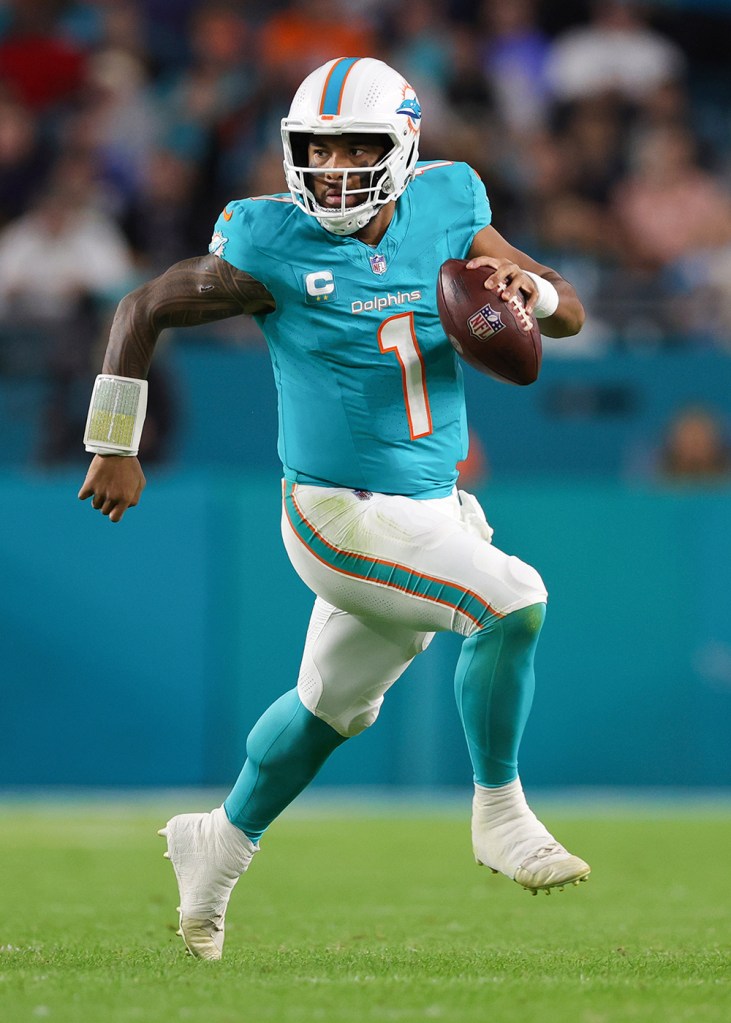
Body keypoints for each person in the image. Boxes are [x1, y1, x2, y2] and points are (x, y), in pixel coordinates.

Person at [78, 56, 589, 960]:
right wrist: (112, 442)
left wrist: (528, 294)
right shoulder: (268, 244)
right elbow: (141, 306)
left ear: (403, 147)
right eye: (316, 150)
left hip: (432, 506)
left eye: (357, 147)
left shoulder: (449, 203)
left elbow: (566, 314)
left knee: (328, 708)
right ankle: (499, 812)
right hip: (337, 510)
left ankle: (219, 839)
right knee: (512, 601)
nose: (334, 168)